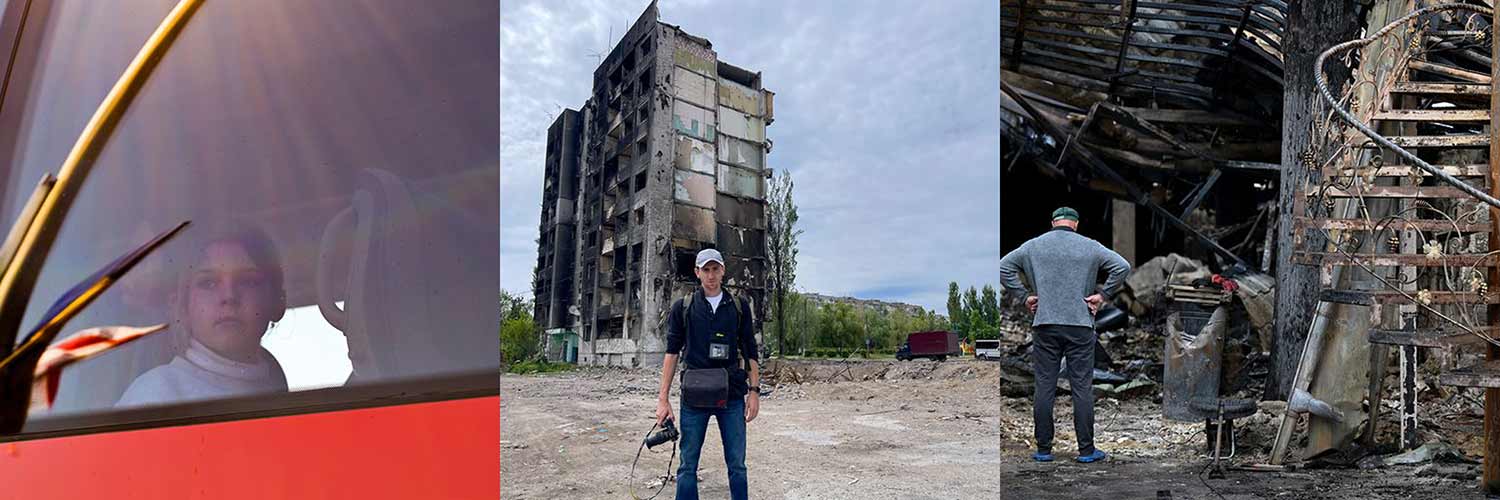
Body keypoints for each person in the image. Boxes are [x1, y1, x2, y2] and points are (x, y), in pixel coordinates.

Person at [1000, 207, 1131, 464]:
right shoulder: (1090, 246)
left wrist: (1024, 296)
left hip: (1045, 325)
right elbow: (1122, 266)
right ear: (1076, 225)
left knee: (1045, 386)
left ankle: (1044, 450)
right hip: (1080, 325)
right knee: (1081, 387)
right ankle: (1086, 451)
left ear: (1052, 223)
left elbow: (1004, 266)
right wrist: (1102, 296)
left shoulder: (1033, 246)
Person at [116, 223, 289, 407]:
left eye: (248, 281)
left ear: (278, 302)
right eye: (209, 283)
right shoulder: (156, 394)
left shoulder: (278, 393)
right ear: (182, 307)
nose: (229, 296)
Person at [655, 248, 760, 500]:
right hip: (694, 397)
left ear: (723, 271)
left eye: (715, 269)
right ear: (697, 273)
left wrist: (754, 392)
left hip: (732, 396)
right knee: (687, 465)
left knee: (737, 465)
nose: (711, 275)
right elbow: (672, 353)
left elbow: (750, 350)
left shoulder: (738, 306)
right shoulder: (684, 307)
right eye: (705, 270)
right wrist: (663, 399)